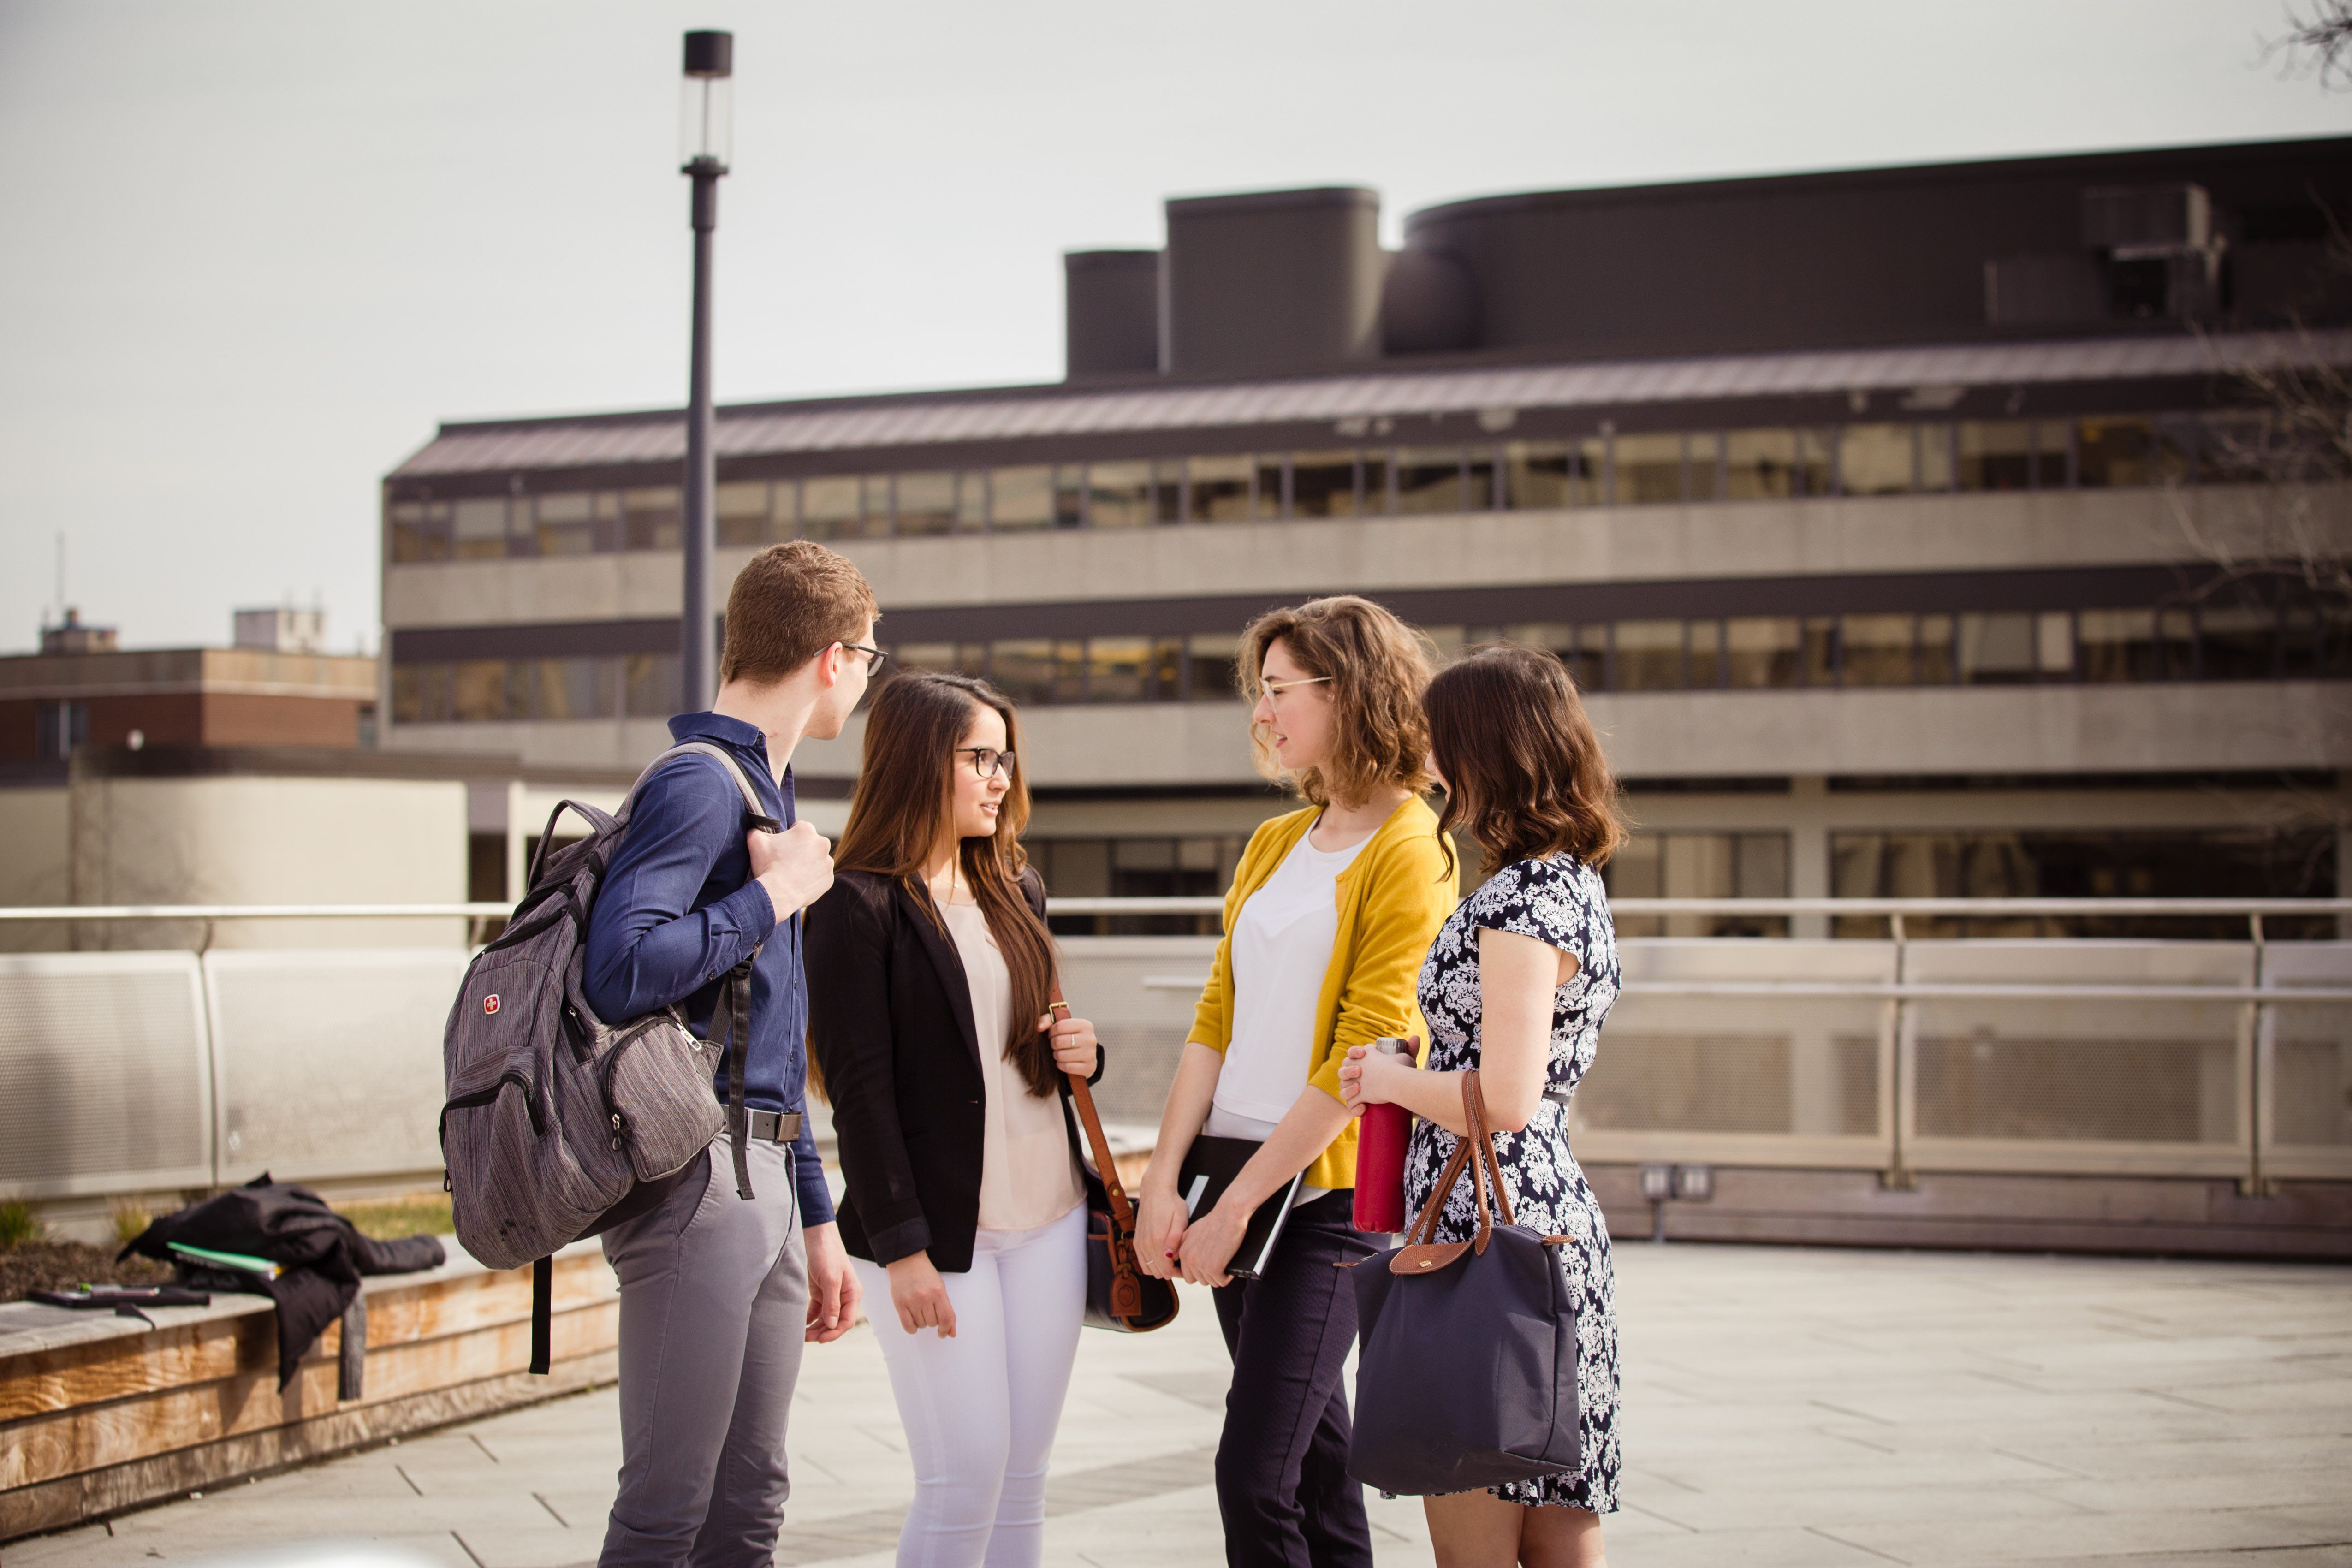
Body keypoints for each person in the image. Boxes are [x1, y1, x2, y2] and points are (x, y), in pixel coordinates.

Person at [1134, 595, 1459, 1568]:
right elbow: (1215, 1018)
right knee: (1315, 1467)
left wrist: (1236, 1207)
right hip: (1233, 1167)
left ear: (1349, 692)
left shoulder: (1414, 847)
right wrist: (1163, 1176)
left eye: (1281, 691)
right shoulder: (1276, 842)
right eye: (1260, 692)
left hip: (1322, 1198)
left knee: (1255, 1473)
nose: (1263, 714)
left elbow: (1369, 1052)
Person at [580, 540, 876, 1568]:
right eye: (869, 658)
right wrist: (772, 897)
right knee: (668, 1510)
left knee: (748, 1507)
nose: (866, 681)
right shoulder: (699, 787)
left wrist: (820, 1215)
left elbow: (771, 1038)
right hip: (697, 1179)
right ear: (833, 659)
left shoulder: (770, 795)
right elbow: (617, 968)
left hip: (767, 1175)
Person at [805, 670, 1106, 1568]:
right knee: (964, 1472)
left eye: (1004, 756)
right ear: (917, 760)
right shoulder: (852, 904)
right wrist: (902, 1247)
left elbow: (1021, 1047)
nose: (1000, 775)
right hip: (937, 1234)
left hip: (1050, 1215)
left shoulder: (1018, 884)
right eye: (979, 756)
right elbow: (861, 1090)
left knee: (1023, 1474)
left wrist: (1081, 1051)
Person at [1338, 643, 1629, 1568]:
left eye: (1442, 739)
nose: (1428, 759)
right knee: (1556, 1520)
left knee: (1476, 1537)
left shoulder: (1521, 898)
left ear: (1488, 750)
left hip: (1482, 1227)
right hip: (1542, 1224)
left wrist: (1389, 1082)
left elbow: (1503, 1096)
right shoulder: (1573, 884)